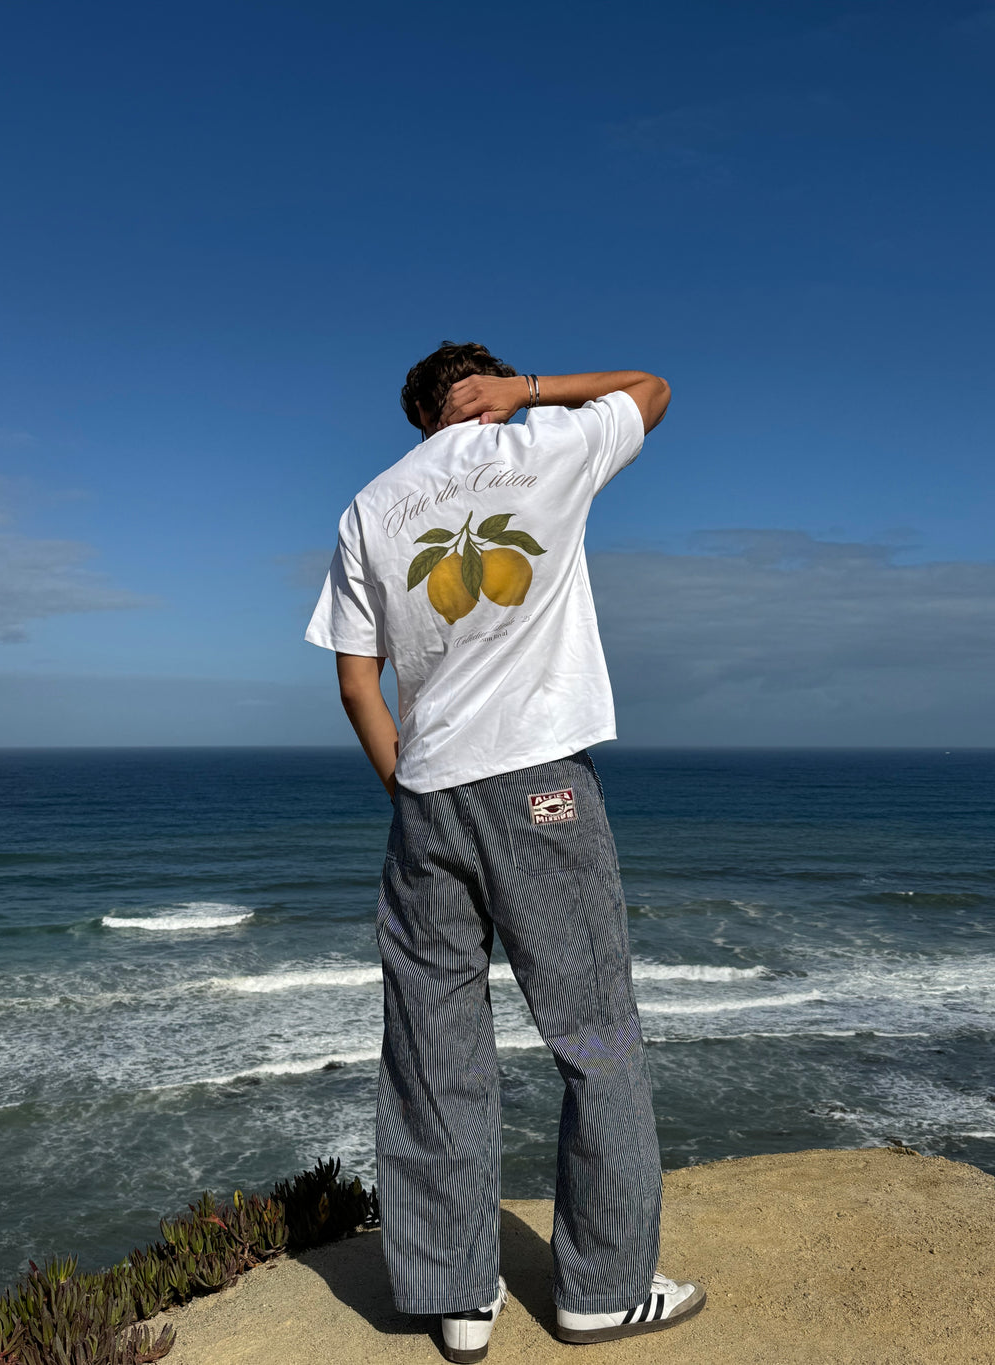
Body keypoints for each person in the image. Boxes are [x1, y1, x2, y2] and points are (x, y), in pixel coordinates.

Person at [305, 341, 705, 1361]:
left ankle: (458, 1299)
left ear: (418, 416)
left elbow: (356, 682)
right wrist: (530, 393)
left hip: (426, 796)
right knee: (595, 1039)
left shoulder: (368, 508)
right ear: (485, 392)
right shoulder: (543, 445)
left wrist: (411, 791)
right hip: (539, 784)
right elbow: (651, 390)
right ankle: (602, 1291)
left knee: (433, 1053)